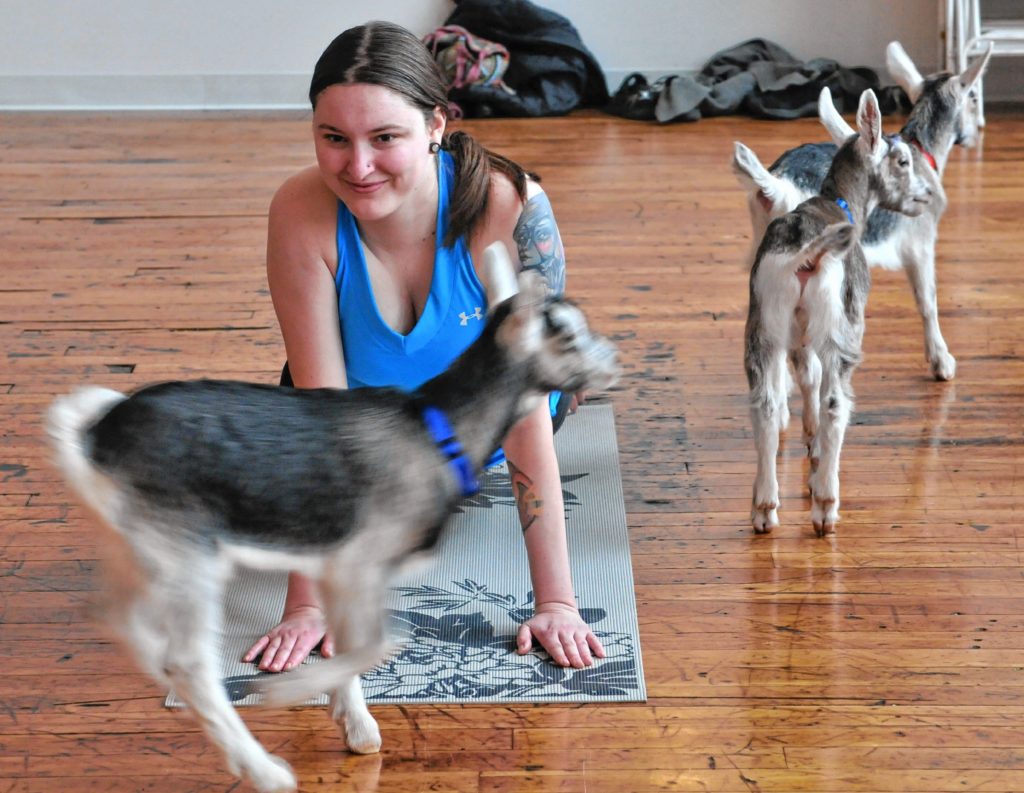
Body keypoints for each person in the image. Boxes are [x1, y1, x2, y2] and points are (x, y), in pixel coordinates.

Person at [242, 20, 605, 674]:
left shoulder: (507, 209)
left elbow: (521, 415)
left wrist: (556, 600)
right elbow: (321, 413)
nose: (357, 166)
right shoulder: (300, 210)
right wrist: (306, 603)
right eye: (333, 139)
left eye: (385, 138)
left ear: (437, 123)